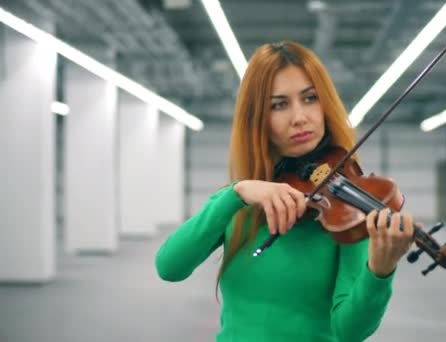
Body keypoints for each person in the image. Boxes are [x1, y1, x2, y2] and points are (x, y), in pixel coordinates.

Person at [155, 41, 416, 342]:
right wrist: (236, 193)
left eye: (310, 98)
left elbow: (349, 332)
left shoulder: (345, 214)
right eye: (278, 104)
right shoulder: (238, 201)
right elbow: (169, 266)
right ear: (258, 120)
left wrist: (379, 272)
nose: (299, 117)